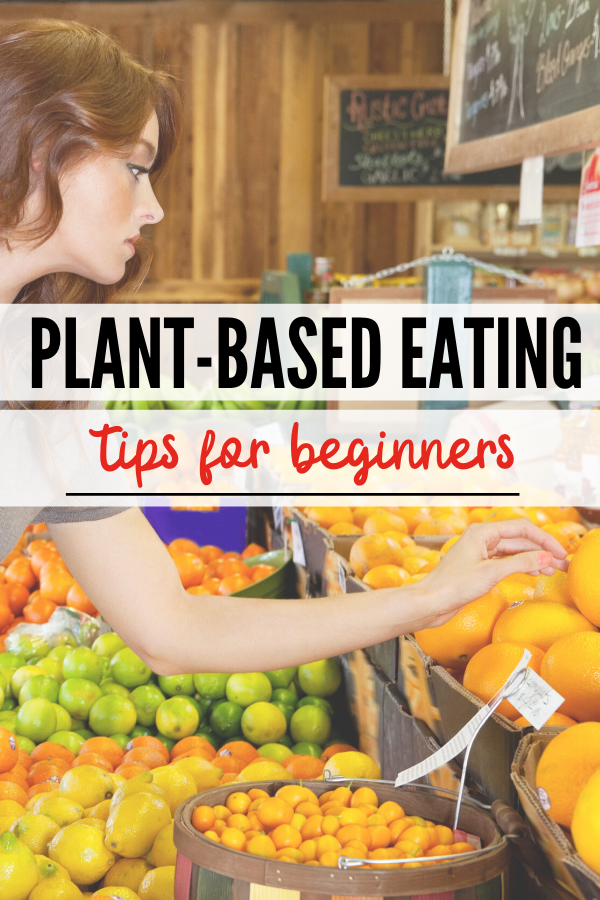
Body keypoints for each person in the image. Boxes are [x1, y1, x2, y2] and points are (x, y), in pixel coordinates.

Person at [0, 20, 567, 676]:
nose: (153, 207)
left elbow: (172, 627)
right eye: (133, 167)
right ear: (44, 152)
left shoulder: (44, 384)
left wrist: (429, 597)